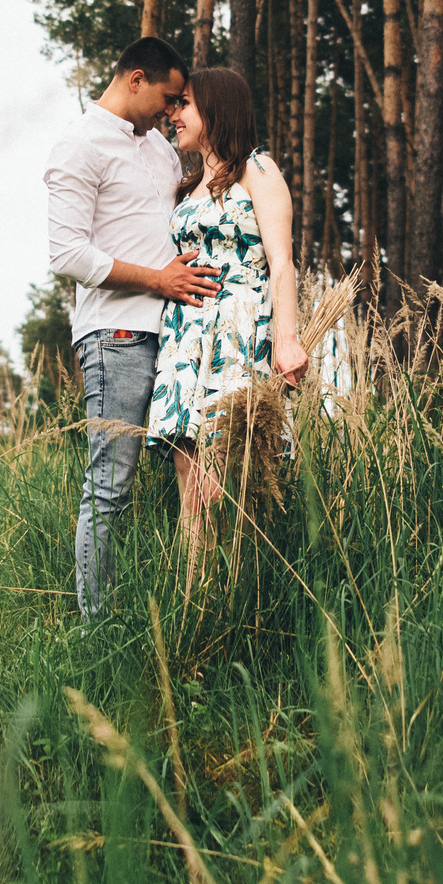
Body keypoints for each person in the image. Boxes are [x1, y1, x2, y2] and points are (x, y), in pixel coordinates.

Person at [43, 35, 221, 620]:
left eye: (180, 104)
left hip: (176, 337)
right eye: (169, 99)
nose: (173, 112)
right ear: (135, 79)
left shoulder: (161, 151)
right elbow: (67, 254)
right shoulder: (79, 144)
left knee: (195, 481)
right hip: (116, 336)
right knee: (111, 486)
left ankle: (195, 606)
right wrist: (156, 281)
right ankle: (97, 627)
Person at [145, 66, 308, 552]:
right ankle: (192, 596)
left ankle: (232, 587)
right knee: (189, 479)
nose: (173, 114)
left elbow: (282, 261)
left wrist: (287, 338)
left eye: (185, 104)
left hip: (237, 333)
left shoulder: (258, 170)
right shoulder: (188, 186)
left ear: (216, 109)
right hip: (185, 338)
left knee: (223, 475)